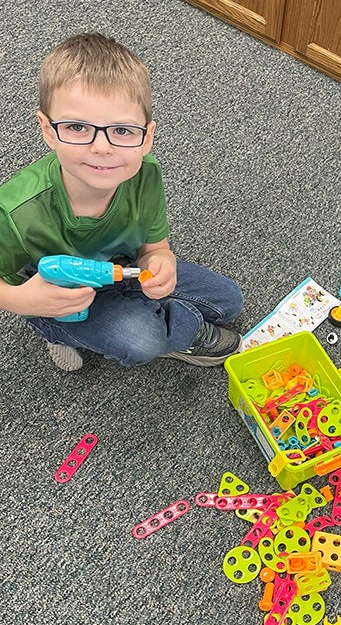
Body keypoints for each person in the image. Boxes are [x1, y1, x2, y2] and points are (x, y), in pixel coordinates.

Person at [0, 33, 244, 372]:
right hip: (60, 294)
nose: (102, 147)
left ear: (147, 137)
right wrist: (22, 299)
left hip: (123, 268)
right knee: (141, 339)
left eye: (123, 131)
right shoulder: (16, 210)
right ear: (47, 129)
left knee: (229, 302)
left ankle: (152, 317)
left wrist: (161, 262)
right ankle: (56, 331)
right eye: (77, 127)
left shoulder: (145, 174)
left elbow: (155, 247)